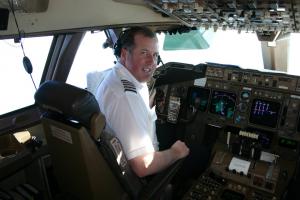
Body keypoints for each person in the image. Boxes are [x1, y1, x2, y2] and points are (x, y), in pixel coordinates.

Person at [95, 26, 190, 178]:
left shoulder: (117, 78)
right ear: (125, 54)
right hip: (142, 178)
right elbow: (143, 165)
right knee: (196, 157)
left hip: (117, 165)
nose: (152, 62)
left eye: (155, 55)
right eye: (144, 53)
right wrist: (176, 152)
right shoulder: (125, 97)